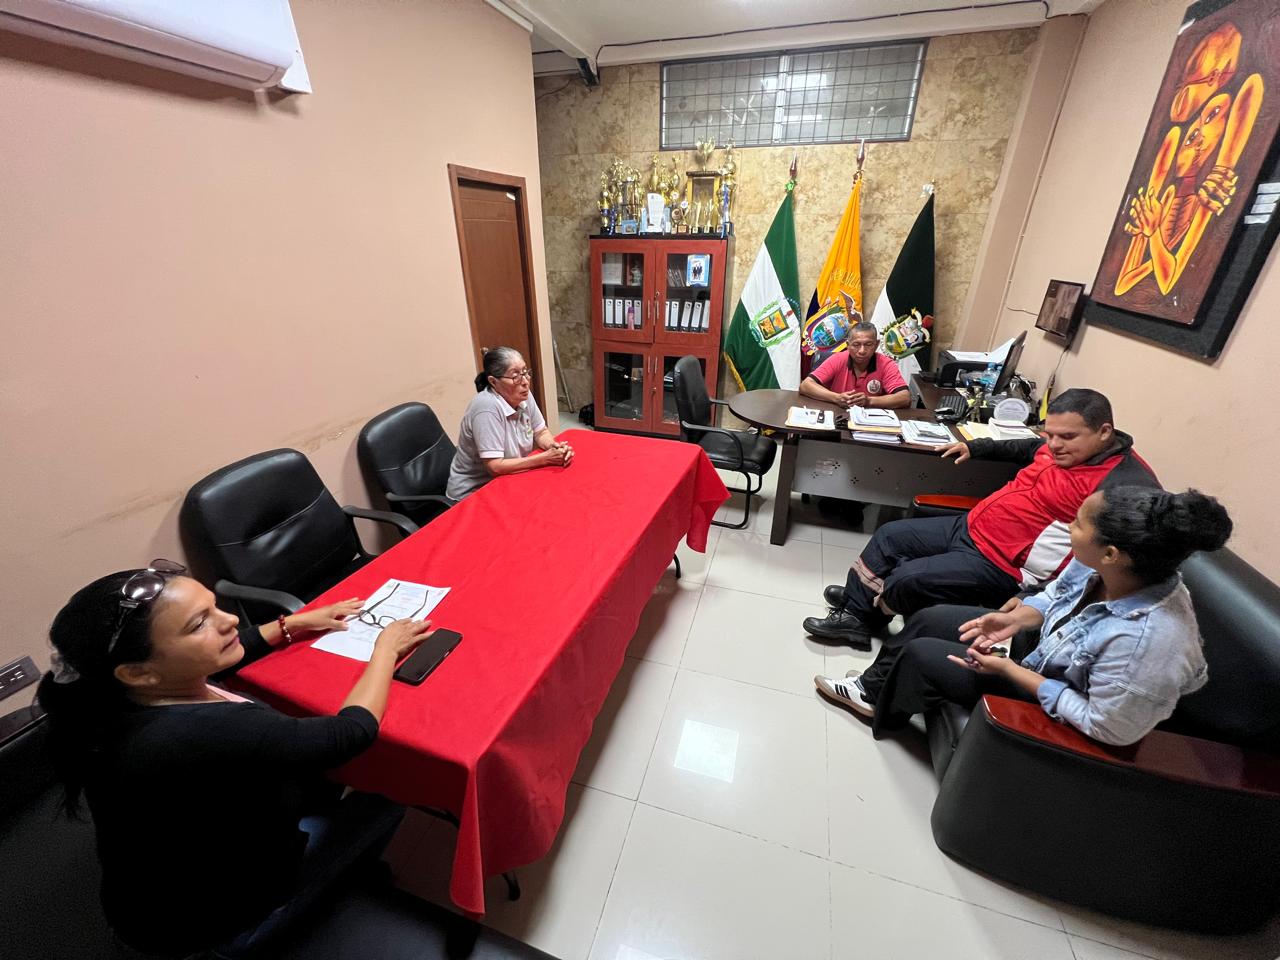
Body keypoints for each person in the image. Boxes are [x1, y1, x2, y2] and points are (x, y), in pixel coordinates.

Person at [36, 561, 434, 958]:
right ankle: (340, 885)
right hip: (215, 930)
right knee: (390, 793)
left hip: (149, 903)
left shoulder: (114, 699)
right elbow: (350, 733)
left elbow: (230, 649)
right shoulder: (203, 733)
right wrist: (385, 651)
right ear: (138, 673)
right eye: (199, 624)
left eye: (213, 607)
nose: (229, 620)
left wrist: (294, 623)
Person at [813, 487, 1232, 747]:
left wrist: (1011, 672)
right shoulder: (1100, 564)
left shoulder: (1150, 640)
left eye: (1077, 524)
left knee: (923, 655)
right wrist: (1018, 619)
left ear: (1111, 552)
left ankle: (885, 705)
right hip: (1043, 659)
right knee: (934, 618)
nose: (1067, 527)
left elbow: (1107, 728)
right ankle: (873, 690)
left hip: (1064, 712)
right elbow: (1055, 597)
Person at [804, 388, 1157, 650]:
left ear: (1104, 432)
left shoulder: (1123, 485)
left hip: (1004, 564)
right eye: (1049, 435)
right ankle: (858, 611)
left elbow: (1111, 559)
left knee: (907, 577)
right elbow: (1026, 446)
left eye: (1066, 437)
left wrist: (1041, 596)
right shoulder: (1060, 447)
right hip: (973, 526)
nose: (1054, 445)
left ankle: (867, 611)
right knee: (891, 535)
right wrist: (976, 447)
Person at [446, 345, 573, 501]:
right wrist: (545, 458)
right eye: (515, 376)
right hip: (475, 492)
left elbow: (541, 432)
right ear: (493, 382)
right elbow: (495, 466)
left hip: (510, 479)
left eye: (525, 372)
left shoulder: (523, 394)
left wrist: (554, 448)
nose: (525, 382)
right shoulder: (486, 408)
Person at [798, 319, 911, 410]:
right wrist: (837, 398)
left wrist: (869, 401)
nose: (862, 351)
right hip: (837, 416)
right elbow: (805, 385)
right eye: (856, 345)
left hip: (870, 422)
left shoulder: (886, 364)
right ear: (848, 345)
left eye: (868, 344)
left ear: (876, 345)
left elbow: (904, 397)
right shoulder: (838, 359)